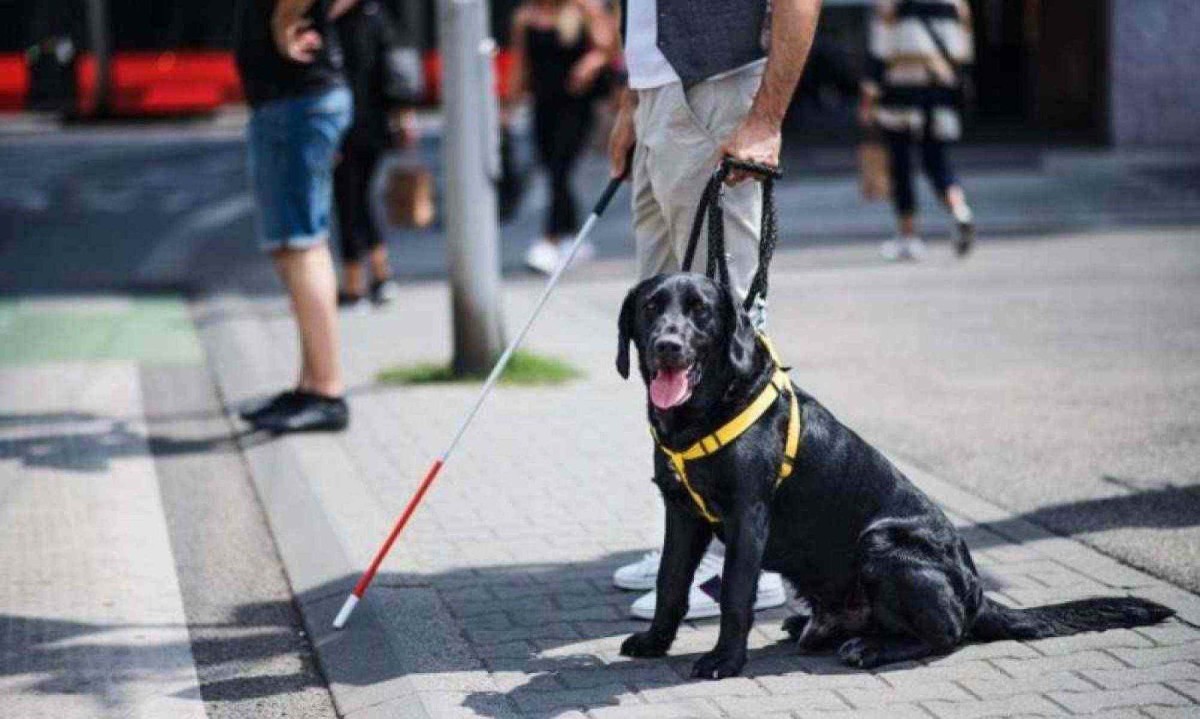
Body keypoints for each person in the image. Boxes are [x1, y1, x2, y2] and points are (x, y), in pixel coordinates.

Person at [606, 0, 821, 620]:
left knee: (722, 344)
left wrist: (766, 118)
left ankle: (739, 562)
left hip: (717, 93)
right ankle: (686, 539)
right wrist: (632, 101)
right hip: (657, 97)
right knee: (663, 340)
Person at [234, 0, 356, 433]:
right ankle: (311, 385)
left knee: (303, 247)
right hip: (293, 102)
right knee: (293, 248)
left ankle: (326, 391)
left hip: (297, 103)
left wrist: (287, 17)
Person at [859, 0, 976, 261]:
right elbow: (965, 53)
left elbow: (880, 50)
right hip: (940, 92)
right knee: (938, 162)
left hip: (900, 92)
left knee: (901, 167)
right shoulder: (956, 4)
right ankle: (960, 211)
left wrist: (869, 96)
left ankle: (909, 237)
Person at [509, 0, 616, 275]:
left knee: (560, 167)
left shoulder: (583, 9)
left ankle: (550, 239)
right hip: (542, 105)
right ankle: (572, 238)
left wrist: (589, 65)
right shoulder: (526, 16)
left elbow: (608, 48)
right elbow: (521, 64)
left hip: (577, 105)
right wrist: (508, 108)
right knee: (552, 170)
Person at [333, 0, 416, 310]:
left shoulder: (338, 23)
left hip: (348, 127)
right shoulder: (377, 14)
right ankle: (381, 276)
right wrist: (404, 116)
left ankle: (355, 285)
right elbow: (394, 70)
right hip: (374, 126)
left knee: (349, 202)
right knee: (359, 199)